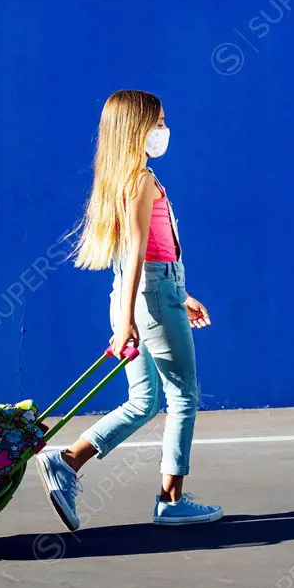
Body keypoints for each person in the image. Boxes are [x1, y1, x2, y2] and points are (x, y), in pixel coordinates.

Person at [34, 89, 223, 529]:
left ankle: (66, 461)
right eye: (158, 123)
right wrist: (127, 325)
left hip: (148, 294)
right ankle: (171, 501)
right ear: (137, 128)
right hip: (151, 298)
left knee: (143, 402)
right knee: (183, 398)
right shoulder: (140, 180)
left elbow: (148, 255)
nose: (163, 131)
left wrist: (180, 295)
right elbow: (137, 251)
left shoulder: (126, 179)